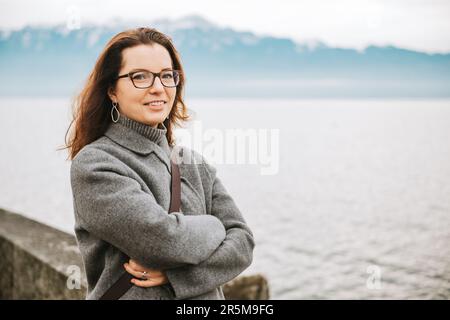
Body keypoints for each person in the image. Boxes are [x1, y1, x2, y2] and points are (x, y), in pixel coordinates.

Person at [65, 27, 255, 300]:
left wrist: (177, 277)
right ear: (111, 91)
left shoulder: (193, 163)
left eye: (167, 76)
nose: (158, 87)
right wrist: (215, 225)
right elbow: (163, 241)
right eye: (139, 76)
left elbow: (243, 242)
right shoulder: (95, 164)